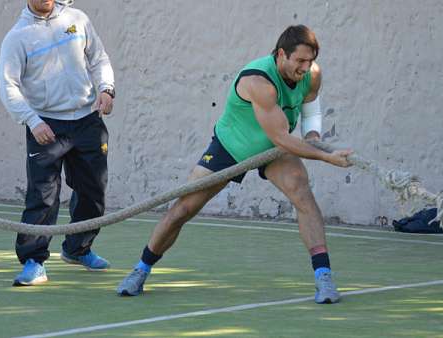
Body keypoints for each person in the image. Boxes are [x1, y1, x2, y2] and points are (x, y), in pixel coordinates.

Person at [117, 25, 352, 304]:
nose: (305, 67)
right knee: (182, 209)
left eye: (309, 60)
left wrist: (313, 134)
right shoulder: (259, 82)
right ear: (281, 55)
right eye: (299, 61)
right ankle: (141, 269)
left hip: (274, 150)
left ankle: (323, 277)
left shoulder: (311, 73)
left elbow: (310, 104)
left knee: (302, 194)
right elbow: (281, 135)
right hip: (232, 147)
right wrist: (327, 157)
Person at [0, 0, 116, 286]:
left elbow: (99, 59)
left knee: (93, 191)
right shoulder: (17, 37)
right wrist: (32, 121)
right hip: (46, 126)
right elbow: (8, 86)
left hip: (88, 120)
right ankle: (33, 261)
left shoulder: (78, 19)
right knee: (43, 197)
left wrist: (106, 89)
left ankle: (78, 248)